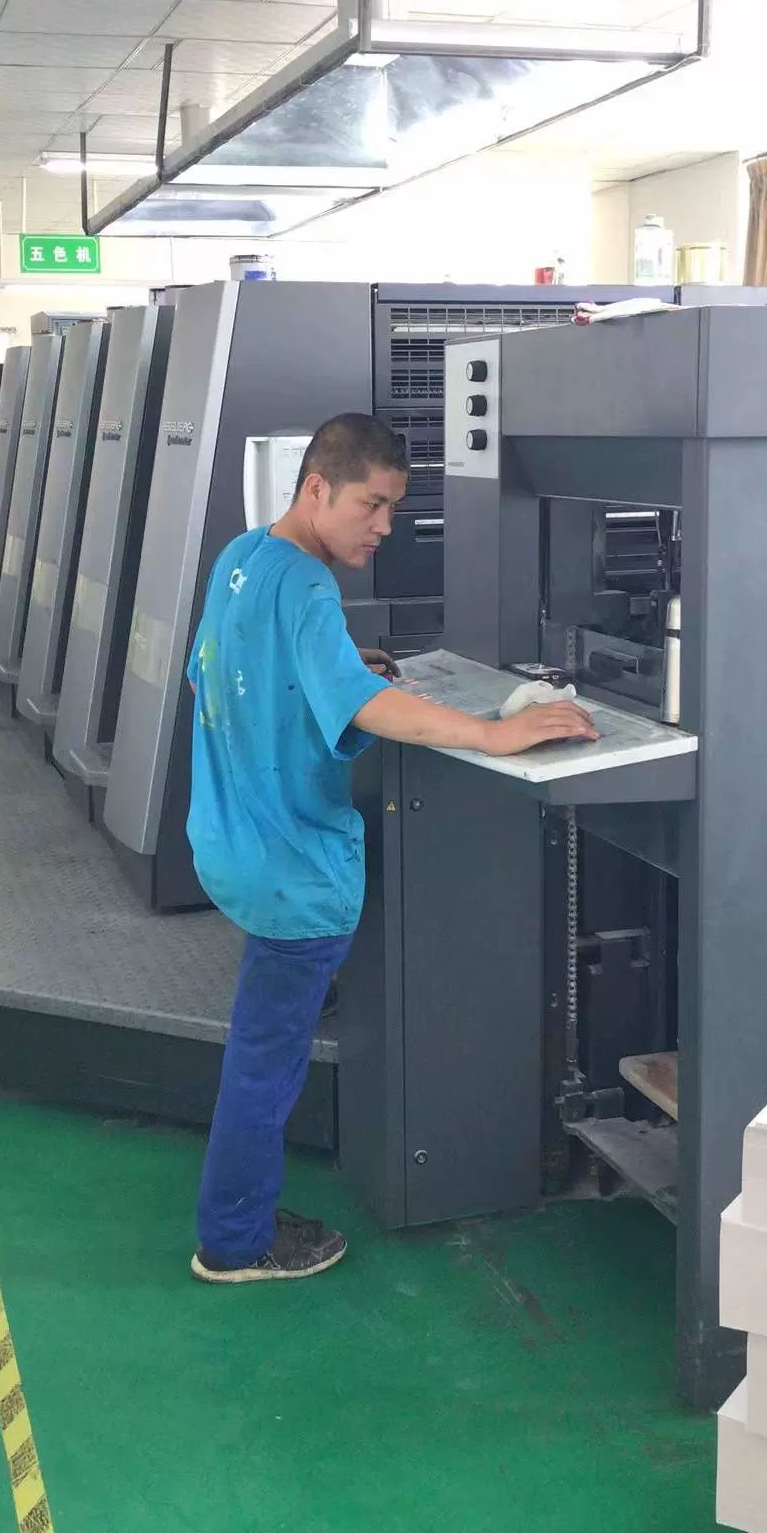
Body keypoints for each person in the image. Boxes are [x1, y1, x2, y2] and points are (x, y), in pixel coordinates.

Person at [186, 413, 598, 1284]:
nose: (384, 527)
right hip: (293, 871)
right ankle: (235, 1239)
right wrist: (493, 733)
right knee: (264, 1065)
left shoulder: (242, 557)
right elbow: (366, 708)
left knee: (262, 1048)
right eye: (371, 506)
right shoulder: (309, 588)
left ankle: (238, 1219)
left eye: (393, 510)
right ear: (317, 488)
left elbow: (220, 672)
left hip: (231, 841)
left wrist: (334, 663)